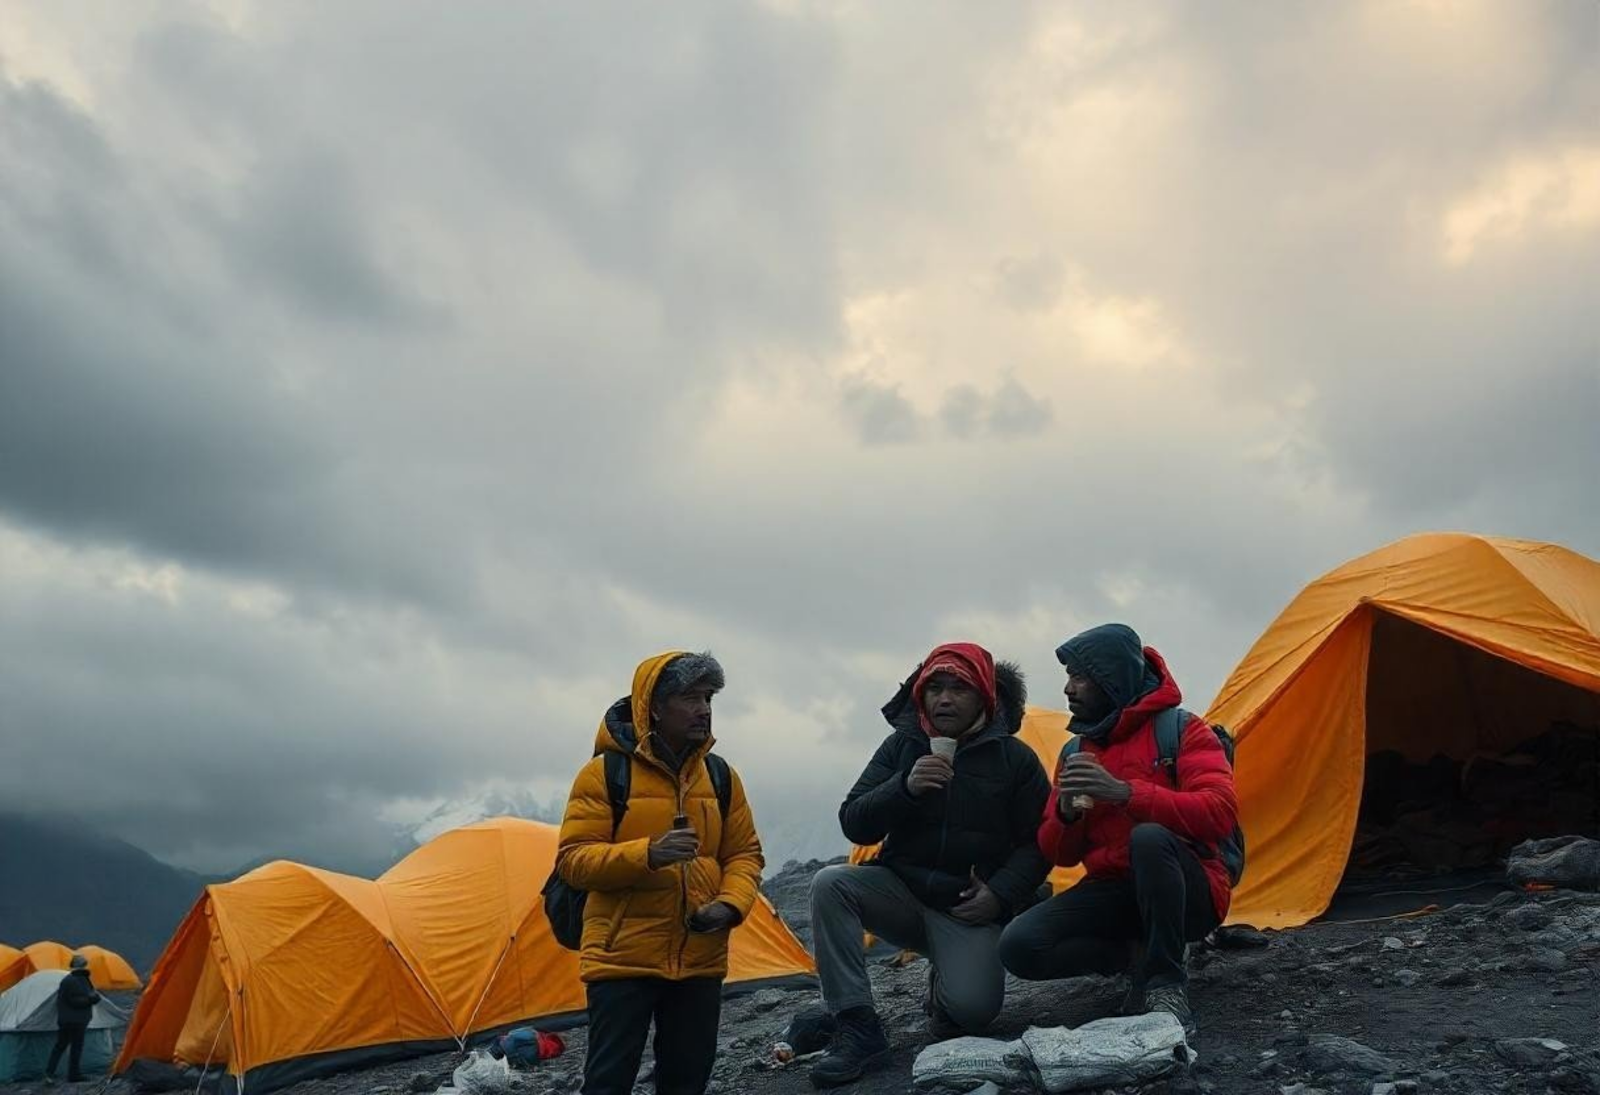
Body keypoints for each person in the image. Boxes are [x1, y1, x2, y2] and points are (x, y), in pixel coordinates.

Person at [807, 643, 1051, 1088]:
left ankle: (944, 991)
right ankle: (856, 1025)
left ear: (984, 697)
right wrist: (905, 787)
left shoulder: (1014, 761)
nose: (944, 699)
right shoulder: (903, 746)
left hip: (965, 908)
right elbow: (854, 821)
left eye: (959, 689)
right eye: (934, 688)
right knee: (831, 883)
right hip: (900, 893)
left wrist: (999, 895)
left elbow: (1040, 844)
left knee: (975, 1013)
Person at [998, 623, 1239, 1037]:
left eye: (1079, 677)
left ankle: (1166, 984)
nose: (1068, 689)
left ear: (1111, 678)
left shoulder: (1181, 730)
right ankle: (1136, 958)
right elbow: (1061, 855)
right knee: (1019, 946)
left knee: (1147, 839)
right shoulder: (1077, 750)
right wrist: (1068, 817)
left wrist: (1126, 793)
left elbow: (1219, 813)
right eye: (1068, 677)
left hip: (1189, 888)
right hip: (1115, 888)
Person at [555, 651, 764, 1095]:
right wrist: (650, 853)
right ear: (653, 704)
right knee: (609, 1081)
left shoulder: (721, 776)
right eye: (690, 698)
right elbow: (573, 861)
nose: (703, 709)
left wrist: (729, 906)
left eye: (708, 697)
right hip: (621, 955)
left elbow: (744, 854)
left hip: (700, 954)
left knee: (687, 1079)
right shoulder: (604, 775)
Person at [44, 954, 99, 1085]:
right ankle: (72, 1074)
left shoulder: (70, 980)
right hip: (77, 1020)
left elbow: (72, 999)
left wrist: (91, 998)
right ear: (83, 965)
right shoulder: (79, 980)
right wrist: (92, 999)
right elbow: (75, 1001)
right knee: (75, 1047)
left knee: (61, 1046)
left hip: (68, 1020)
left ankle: (50, 1073)